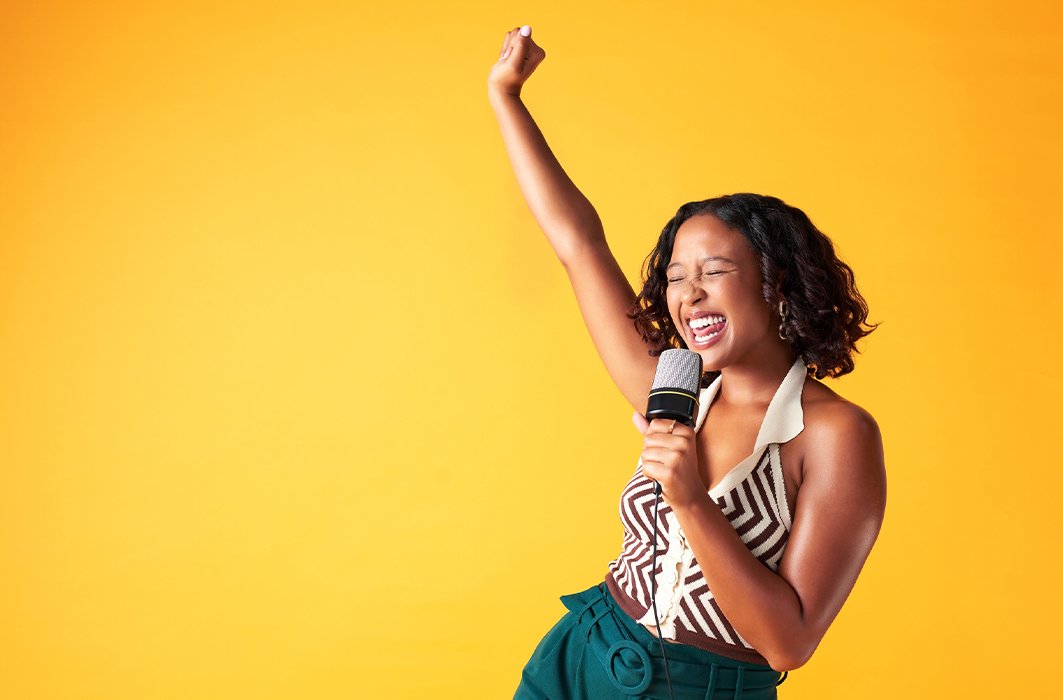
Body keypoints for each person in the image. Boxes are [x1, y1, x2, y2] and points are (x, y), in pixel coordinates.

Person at [489, 25, 887, 700]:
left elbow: (789, 641)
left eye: (714, 271)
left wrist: (692, 501)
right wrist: (506, 96)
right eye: (675, 276)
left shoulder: (835, 434)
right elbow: (578, 243)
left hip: (698, 686)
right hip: (582, 654)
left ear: (778, 283)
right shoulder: (672, 389)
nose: (688, 294)